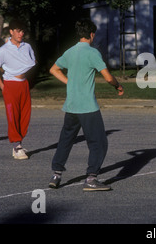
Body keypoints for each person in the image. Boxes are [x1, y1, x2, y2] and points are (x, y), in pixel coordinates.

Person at [48, 19, 124, 192]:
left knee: (65, 140)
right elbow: (108, 77)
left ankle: (56, 174)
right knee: (99, 142)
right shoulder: (92, 53)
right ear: (91, 34)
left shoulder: (70, 51)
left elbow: (53, 70)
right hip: (87, 106)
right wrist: (118, 86)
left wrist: (69, 82)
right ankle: (91, 178)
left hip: (71, 105)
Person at [0, 19, 36, 159]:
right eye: (18, 31)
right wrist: (3, 87)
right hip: (10, 84)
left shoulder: (27, 47)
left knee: (25, 115)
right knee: (13, 115)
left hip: (23, 83)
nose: (20, 34)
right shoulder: (3, 50)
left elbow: (32, 63)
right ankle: (17, 146)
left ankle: (19, 144)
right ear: (11, 31)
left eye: (22, 31)